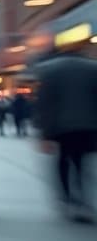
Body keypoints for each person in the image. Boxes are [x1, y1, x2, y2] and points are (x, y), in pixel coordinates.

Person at [34, 46, 97, 221]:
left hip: (61, 127)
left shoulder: (50, 69)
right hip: (88, 126)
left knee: (63, 160)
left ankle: (66, 197)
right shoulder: (92, 68)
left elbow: (45, 103)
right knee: (82, 162)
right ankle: (83, 199)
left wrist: (44, 134)